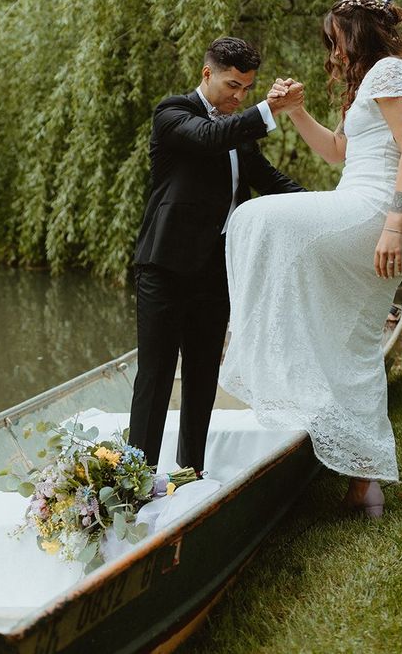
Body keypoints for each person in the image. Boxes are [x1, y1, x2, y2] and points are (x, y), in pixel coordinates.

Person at [219, 0, 402, 517]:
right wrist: (294, 112)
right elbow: (340, 153)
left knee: (254, 218)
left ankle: (271, 364)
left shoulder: (390, 72)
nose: (331, 49)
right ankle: (367, 483)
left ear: (356, 32)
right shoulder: (370, 83)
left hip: (377, 211)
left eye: (334, 37)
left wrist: (392, 225)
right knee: (354, 342)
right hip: (363, 205)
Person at [128, 36, 305, 475]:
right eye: (232, 86)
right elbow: (209, 139)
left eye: (247, 89)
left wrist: (326, 207)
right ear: (207, 74)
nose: (239, 96)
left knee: (203, 377)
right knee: (155, 377)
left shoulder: (235, 126)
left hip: (215, 271)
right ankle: (137, 480)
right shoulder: (173, 113)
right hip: (164, 268)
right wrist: (266, 110)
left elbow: (269, 178)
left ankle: (190, 473)